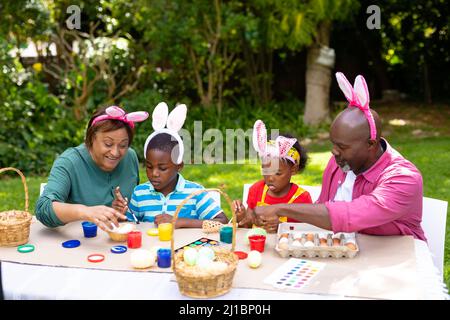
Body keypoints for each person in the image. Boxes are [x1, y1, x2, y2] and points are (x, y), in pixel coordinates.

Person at [250, 72, 426, 241]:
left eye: (342, 146)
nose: (334, 152)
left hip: (397, 258)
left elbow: (349, 215)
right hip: (347, 251)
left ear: (371, 144)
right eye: (333, 144)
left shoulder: (403, 178)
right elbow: (323, 206)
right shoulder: (340, 163)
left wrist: (280, 209)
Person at [35, 106, 149, 231]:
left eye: (123, 145)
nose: (116, 152)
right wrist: (85, 212)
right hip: (79, 244)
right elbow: (43, 209)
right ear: (91, 138)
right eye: (108, 144)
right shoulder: (69, 162)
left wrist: (119, 211)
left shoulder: (130, 157)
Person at [117, 102, 228, 227]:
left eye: (162, 168)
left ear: (179, 166)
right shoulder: (140, 193)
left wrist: (179, 221)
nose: (154, 173)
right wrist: (121, 215)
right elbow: (131, 224)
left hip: (186, 247)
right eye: (149, 166)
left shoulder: (195, 192)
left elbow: (223, 221)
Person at [234, 119, 312, 229]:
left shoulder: (301, 199)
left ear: (293, 169)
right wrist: (241, 216)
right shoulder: (256, 190)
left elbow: (307, 232)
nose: (270, 178)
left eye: (277, 173)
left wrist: (281, 227)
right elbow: (247, 226)